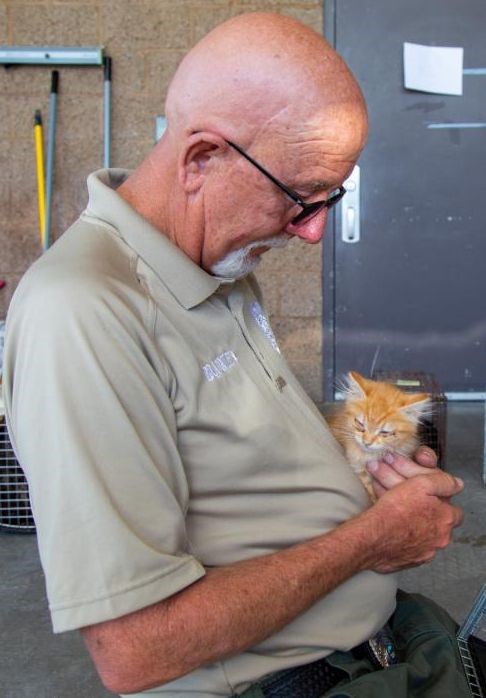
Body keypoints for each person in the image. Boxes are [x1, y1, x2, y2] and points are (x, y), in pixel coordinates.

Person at [3, 12, 468, 698]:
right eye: (298, 197)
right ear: (201, 159)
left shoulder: (214, 264)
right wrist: (370, 539)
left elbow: (235, 464)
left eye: (328, 199)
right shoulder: (81, 312)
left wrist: (366, 478)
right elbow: (138, 650)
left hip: (375, 644)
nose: (312, 232)